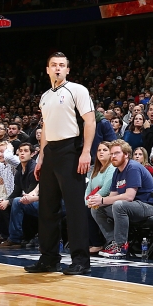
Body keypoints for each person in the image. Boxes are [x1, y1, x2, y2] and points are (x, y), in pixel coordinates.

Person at [24, 52, 96, 276]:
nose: (57, 68)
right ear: (47, 69)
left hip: (71, 150)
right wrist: (41, 158)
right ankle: (48, 258)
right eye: (53, 65)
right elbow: (46, 128)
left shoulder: (77, 90)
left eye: (62, 65)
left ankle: (81, 261)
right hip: (51, 152)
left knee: (74, 208)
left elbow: (90, 120)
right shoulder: (45, 96)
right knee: (47, 207)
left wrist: (85, 151)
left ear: (67, 70)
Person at [89, 140, 153, 259]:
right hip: (132, 207)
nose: (113, 157)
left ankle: (121, 246)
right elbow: (112, 196)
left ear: (126, 154)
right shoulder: (117, 172)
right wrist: (98, 201)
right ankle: (112, 242)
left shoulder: (132, 167)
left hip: (151, 206)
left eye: (117, 153)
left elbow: (129, 196)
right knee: (97, 209)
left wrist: (102, 200)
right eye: (112, 154)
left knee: (119, 205)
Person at [0, 143, 39, 249]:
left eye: (26, 151)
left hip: (40, 201)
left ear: (33, 154)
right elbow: (16, 192)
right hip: (29, 199)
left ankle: (15, 239)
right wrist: (5, 201)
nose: (22, 153)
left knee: (15, 202)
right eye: (20, 151)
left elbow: (30, 194)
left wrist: (9, 201)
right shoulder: (19, 171)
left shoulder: (34, 169)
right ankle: (5, 236)